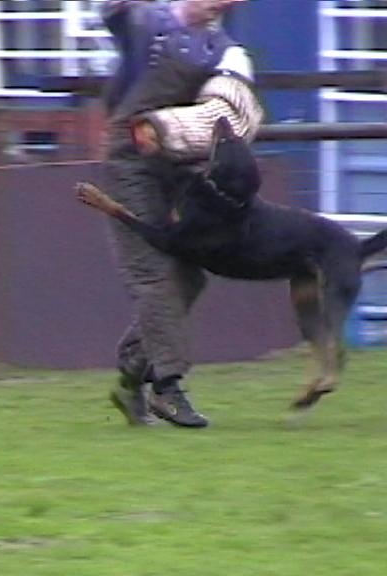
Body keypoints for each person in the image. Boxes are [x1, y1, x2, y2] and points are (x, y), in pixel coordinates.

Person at [100, 0, 263, 427]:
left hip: (175, 167)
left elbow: (231, 99)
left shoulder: (223, 50)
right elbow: (113, 14)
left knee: (188, 278)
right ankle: (167, 388)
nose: (222, 3)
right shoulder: (146, 22)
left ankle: (132, 373)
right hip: (128, 164)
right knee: (153, 274)